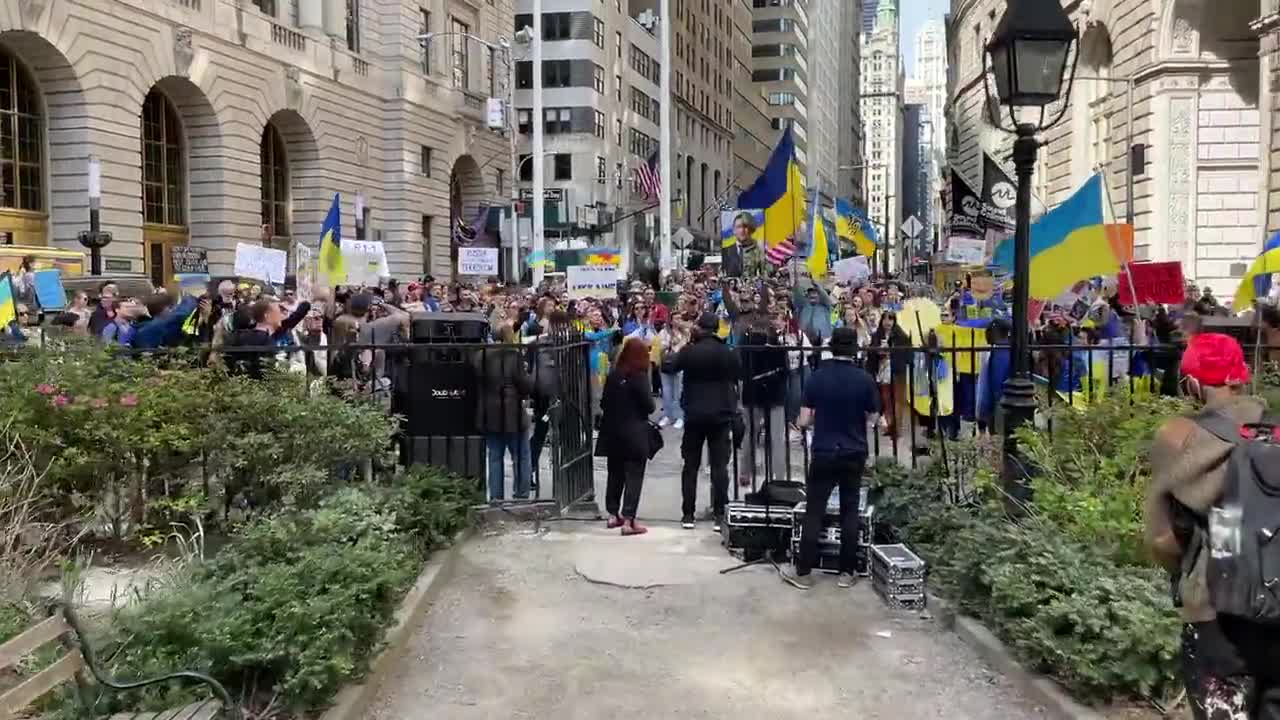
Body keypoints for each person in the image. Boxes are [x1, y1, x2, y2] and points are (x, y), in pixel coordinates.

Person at [1144, 333, 1278, 720]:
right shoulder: (1273, 431)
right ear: (1242, 376)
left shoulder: (1178, 437)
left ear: (1192, 383)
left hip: (1216, 610)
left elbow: (1162, 540)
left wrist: (1181, 572)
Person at [782, 328, 882, 590]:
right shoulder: (865, 379)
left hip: (825, 449)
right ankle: (846, 572)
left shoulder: (817, 378)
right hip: (854, 449)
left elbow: (803, 420)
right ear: (855, 350)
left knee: (815, 509)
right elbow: (873, 420)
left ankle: (803, 571)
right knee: (850, 510)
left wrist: (816, 418)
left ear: (831, 348)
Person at [667, 312, 741, 530]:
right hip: (721, 413)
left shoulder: (690, 351)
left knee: (690, 465)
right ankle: (720, 514)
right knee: (719, 467)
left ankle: (688, 514)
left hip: (695, 413)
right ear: (717, 328)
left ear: (699, 327)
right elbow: (739, 373)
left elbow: (669, 366)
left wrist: (682, 345)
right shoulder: (727, 351)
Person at [594, 337, 656, 536]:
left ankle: (613, 514)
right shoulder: (639, 376)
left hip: (613, 431)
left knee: (615, 473)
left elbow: (604, 403)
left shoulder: (614, 375)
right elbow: (649, 405)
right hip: (635, 431)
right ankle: (629, 519)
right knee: (634, 476)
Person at [474, 324, 535, 501]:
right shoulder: (513, 355)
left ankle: (496, 498)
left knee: (494, 457)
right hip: (512, 412)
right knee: (521, 456)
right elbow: (525, 385)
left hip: (488, 412)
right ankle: (522, 495)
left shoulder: (480, 356)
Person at [867, 310, 911, 438]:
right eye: (885, 319)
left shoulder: (901, 336)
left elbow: (907, 354)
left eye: (890, 319)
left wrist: (891, 352)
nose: (887, 322)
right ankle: (890, 425)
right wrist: (878, 352)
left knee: (898, 399)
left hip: (897, 370)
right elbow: (871, 351)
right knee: (886, 399)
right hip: (882, 369)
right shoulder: (877, 335)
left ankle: (897, 428)